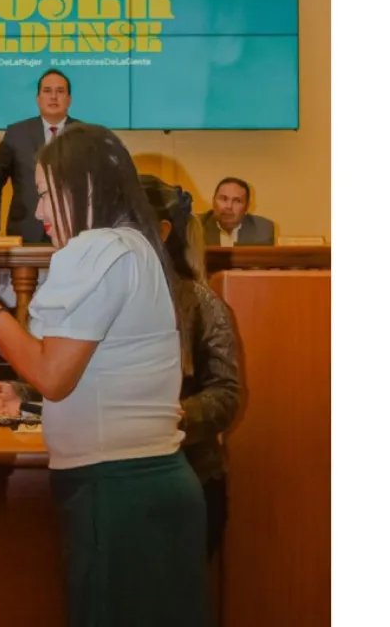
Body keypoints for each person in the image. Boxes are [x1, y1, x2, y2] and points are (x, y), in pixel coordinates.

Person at [0, 124, 213, 627]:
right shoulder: (133, 247)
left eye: (46, 194)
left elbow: (55, 375)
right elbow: (104, 376)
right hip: (150, 486)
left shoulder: (96, 248)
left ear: (85, 189)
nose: (39, 211)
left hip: (116, 492)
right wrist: (28, 402)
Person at [139, 175, 243, 560]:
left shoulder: (201, 302)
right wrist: (28, 394)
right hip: (125, 482)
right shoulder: (112, 293)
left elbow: (227, 394)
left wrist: (175, 415)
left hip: (191, 479)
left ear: (162, 231)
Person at [0, 68, 79, 244]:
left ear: (69, 99)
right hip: (25, 233)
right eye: (47, 91)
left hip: (73, 232)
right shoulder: (16, 133)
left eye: (60, 91)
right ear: (38, 99)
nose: (53, 97)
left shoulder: (84, 135)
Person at [199, 176, 275, 246]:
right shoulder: (195, 225)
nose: (229, 206)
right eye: (223, 199)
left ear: (247, 207)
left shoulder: (262, 229)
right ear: (213, 201)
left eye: (237, 201)